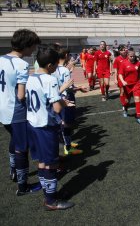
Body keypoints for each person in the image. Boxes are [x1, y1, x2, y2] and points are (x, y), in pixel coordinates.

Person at [26, 47, 75, 210]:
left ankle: (48, 194)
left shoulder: (30, 78)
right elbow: (57, 108)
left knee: (42, 162)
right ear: (49, 65)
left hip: (32, 124)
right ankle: (51, 200)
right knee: (51, 164)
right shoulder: (49, 79)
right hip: (45, 126)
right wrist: (63, 102)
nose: (56, 68)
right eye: (54, 65)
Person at [0, 29, 41, 194]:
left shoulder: (1, 58)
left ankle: (13, 172)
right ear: (27, 46)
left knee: (14, 139)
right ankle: (23, 186)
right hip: (15, 110)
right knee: (22, 148)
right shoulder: (21, 64)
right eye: (33, 48)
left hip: (2, 106)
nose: (33, 51)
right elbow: (21, 95)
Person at [52, 47, 87, 156]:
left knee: (61, 122)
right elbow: (68, 87)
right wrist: (79, 88)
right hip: (65, 99)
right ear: (66, 56)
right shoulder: (65, 70)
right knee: (66, 124)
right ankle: (67, 147)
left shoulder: (53, 68)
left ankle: (67, 144)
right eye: (69, 55)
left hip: (55, 99)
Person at [118, 49, 140, 124]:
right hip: (127, 85)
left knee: (137, 98)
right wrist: (123, 81)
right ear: (128, 56)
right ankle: (125, 109)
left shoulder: (138, 64)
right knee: (127, 102)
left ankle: (138, 116)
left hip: (136, 84)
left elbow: (139, 74)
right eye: (131, 56)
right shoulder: (124, 63)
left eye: (133, 56)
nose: (132, 57)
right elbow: (120, 74)